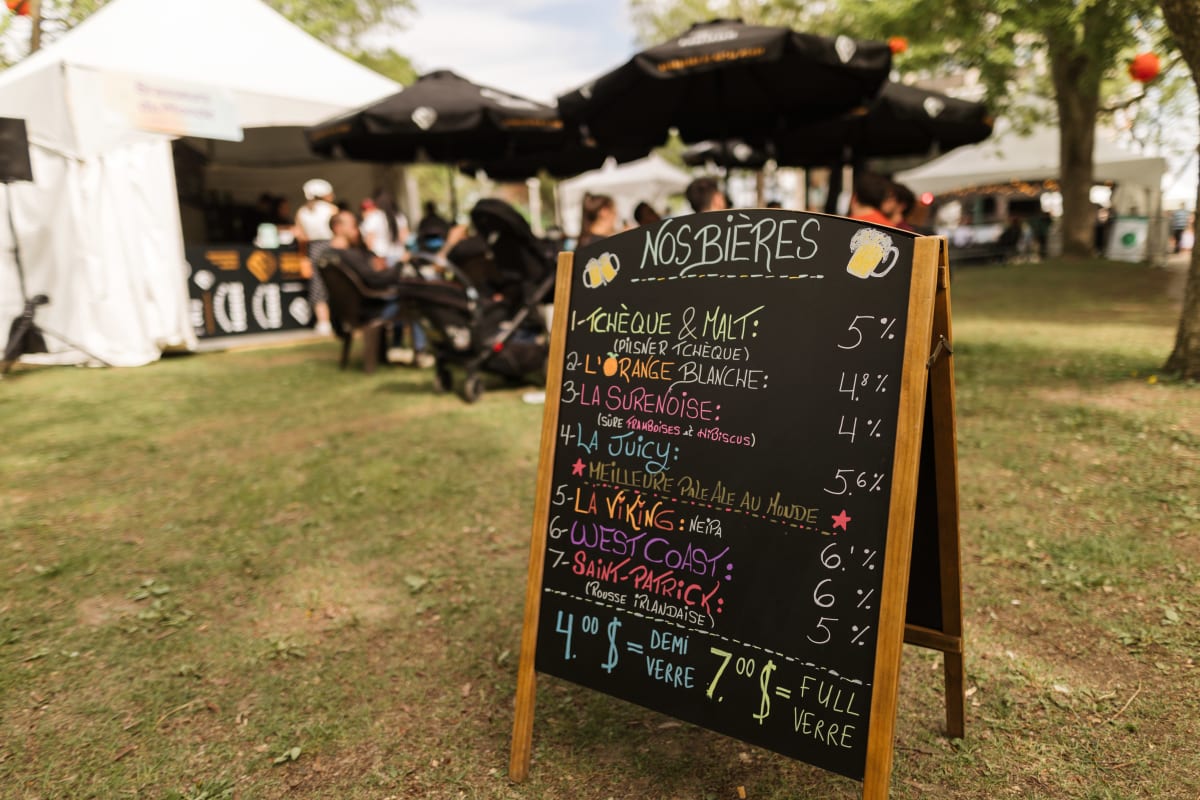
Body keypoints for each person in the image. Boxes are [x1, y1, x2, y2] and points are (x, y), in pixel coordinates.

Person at [295, 179, 338, 336]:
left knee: (317, 284)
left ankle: (323, 322)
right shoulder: (332, 209)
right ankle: (337, 319)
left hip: (313, 248)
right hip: (331, 247)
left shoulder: (302, 211)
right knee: (336, 282)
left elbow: (300, 235)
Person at [360, 191, 410, 267]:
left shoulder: (373, 217)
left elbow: (369, 242)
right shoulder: (399, 217)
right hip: (399, 256)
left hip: (381, 259)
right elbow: (405, 238)